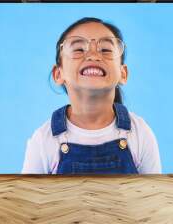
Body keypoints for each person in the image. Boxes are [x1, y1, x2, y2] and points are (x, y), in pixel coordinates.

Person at [22, 17, 161, 174]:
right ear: (58, 74)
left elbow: (152, 195)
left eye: (106, 50)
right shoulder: (43, 140)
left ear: (123, 73)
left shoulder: (140, 133)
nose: (93, 55)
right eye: (79, 49)